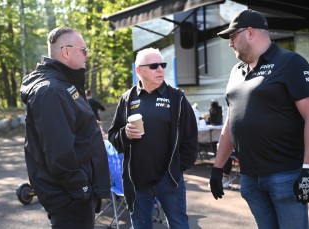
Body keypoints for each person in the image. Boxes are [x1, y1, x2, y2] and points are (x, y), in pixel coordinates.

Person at [209, 9, 309, 228]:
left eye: (233, 36)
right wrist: (218, 168)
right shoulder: (236, 71)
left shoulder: (291, 63)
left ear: (251, 32)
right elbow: (230, 121)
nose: (230, 43)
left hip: (286, 175)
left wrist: (307, 169)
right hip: (250, 177)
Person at [20, 27, 111, 229]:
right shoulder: (52, 91)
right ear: (66, 52)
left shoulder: (63, 85)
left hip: (75, 196)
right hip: (70, 199)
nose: (87, 55)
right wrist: (83, 188)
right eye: (84, 50)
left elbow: (73, 132)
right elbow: (59, 154)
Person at [108, 47, 198, 229]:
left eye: (162, 65)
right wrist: (125, 134)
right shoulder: (127, 99)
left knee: (179, 225)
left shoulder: (177, 99)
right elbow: (113, 136)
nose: (160, 69)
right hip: (137, 181)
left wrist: (175, 171)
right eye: (154, 66)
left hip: (169, 180)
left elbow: (191, 142)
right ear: (139, 70)